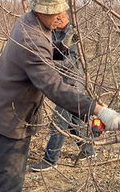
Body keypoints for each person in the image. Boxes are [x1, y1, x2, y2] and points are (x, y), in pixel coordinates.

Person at [0, 0, 120, 191]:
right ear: (41, 11)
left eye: (63, 10)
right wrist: (99, 110)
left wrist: (64, 37)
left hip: (11, 109)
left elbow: (48, 51)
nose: (62, 16)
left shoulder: (28, 21)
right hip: (11, 117)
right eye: (55, 13)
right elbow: (54, 87)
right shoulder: (31, 38)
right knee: (8, 184)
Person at [30, 23, 96, 172]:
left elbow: (71, 61)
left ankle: (50, 160)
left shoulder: (71, 35)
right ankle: (88, 149)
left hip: (72, 84)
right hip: (62, 83)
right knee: (72, 122)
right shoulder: (51, 32)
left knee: (59, 123)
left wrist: (49, 63)